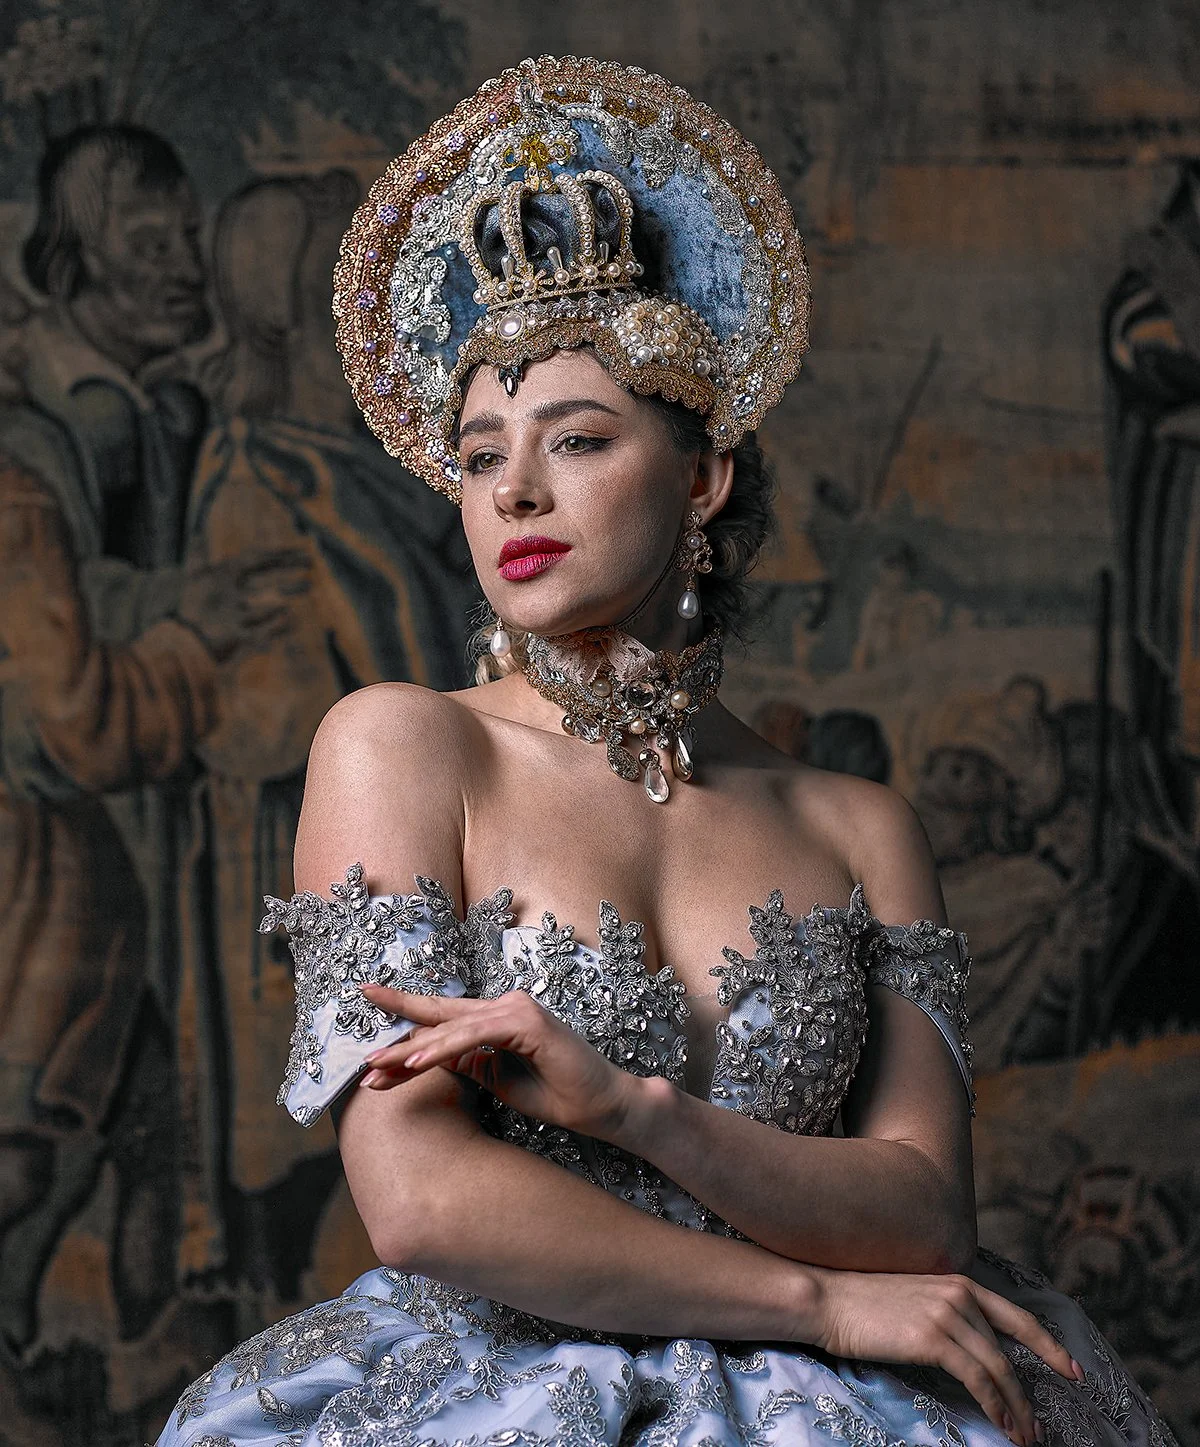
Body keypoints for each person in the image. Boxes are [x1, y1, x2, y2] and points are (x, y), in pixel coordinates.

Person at [157, 57, 1175, 1447]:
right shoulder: (400, 747)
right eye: (478, 455)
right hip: (507, 1388)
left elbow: (927, 1214)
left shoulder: (861, 824)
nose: (515, 491)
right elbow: (424, 1201)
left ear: (703, 477)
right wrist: (819, 1303)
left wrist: (639, 1111)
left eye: (576, 439)